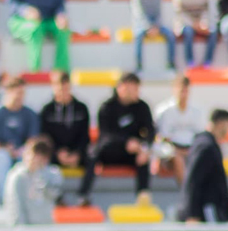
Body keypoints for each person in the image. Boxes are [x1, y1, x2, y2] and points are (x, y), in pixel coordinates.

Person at [77, 73, 155, 206]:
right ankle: (83, 195)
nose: (135, 92)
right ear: (121, 88)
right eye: (131, 89)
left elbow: (150, 131)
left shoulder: (142, 107)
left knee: (143, 158)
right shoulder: (107, 107)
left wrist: (144, 147)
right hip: (110, 151)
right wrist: (126, 142)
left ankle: (143, 195)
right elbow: (106, 134)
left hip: (131, 153)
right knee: (92, 154)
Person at [0, 77, 39, 203]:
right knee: (2, 158)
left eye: (22, 93)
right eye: (17, 93)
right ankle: (7, 202)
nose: (20, 97)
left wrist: (22, 150)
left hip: (21, 152)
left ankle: (29, 201)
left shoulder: (30, 114)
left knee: (29, 158)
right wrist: (7, 150)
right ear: (8, 92)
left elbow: (33, 140)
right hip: (0, 153)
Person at [152, 76, 204, 185]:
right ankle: (186, 192)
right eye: (181, 91)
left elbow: (200, 136)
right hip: (170, 151)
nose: (183, 95)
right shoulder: (163, 111)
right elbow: (162, 138)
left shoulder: (196, 112)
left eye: (186, 91)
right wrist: (179, 151)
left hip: (191, 149)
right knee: (178, 158)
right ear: (173, 90)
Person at [40, 71, 90, 169]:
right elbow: (45, 136)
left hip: (77, 153)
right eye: (59, 89)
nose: (62, 92)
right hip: (54, 153)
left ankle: (85, 185)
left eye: (65, 88)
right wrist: (58, 152)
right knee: (42, 158)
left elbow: (84, 135)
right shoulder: (47, 111)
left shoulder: (81, 108)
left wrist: (77, 153)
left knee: (92, 159)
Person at [131, 0, 176, 71]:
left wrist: (156, 26)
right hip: (141, 26)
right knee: (138, 36)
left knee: (170, 34)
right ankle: (138, 64)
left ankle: (170, 62)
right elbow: (139, 15)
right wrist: (148, 27)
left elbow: (159, 15)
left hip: (156, 26)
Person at [172, 0, 218, 68]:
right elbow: (180, 15)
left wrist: (203, 24)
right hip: (185, 25)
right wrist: (193, 25)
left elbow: (206, 12)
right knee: (188, 32)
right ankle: (190, 62)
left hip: (200, 24)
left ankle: (207, 62)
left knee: (213, 32)